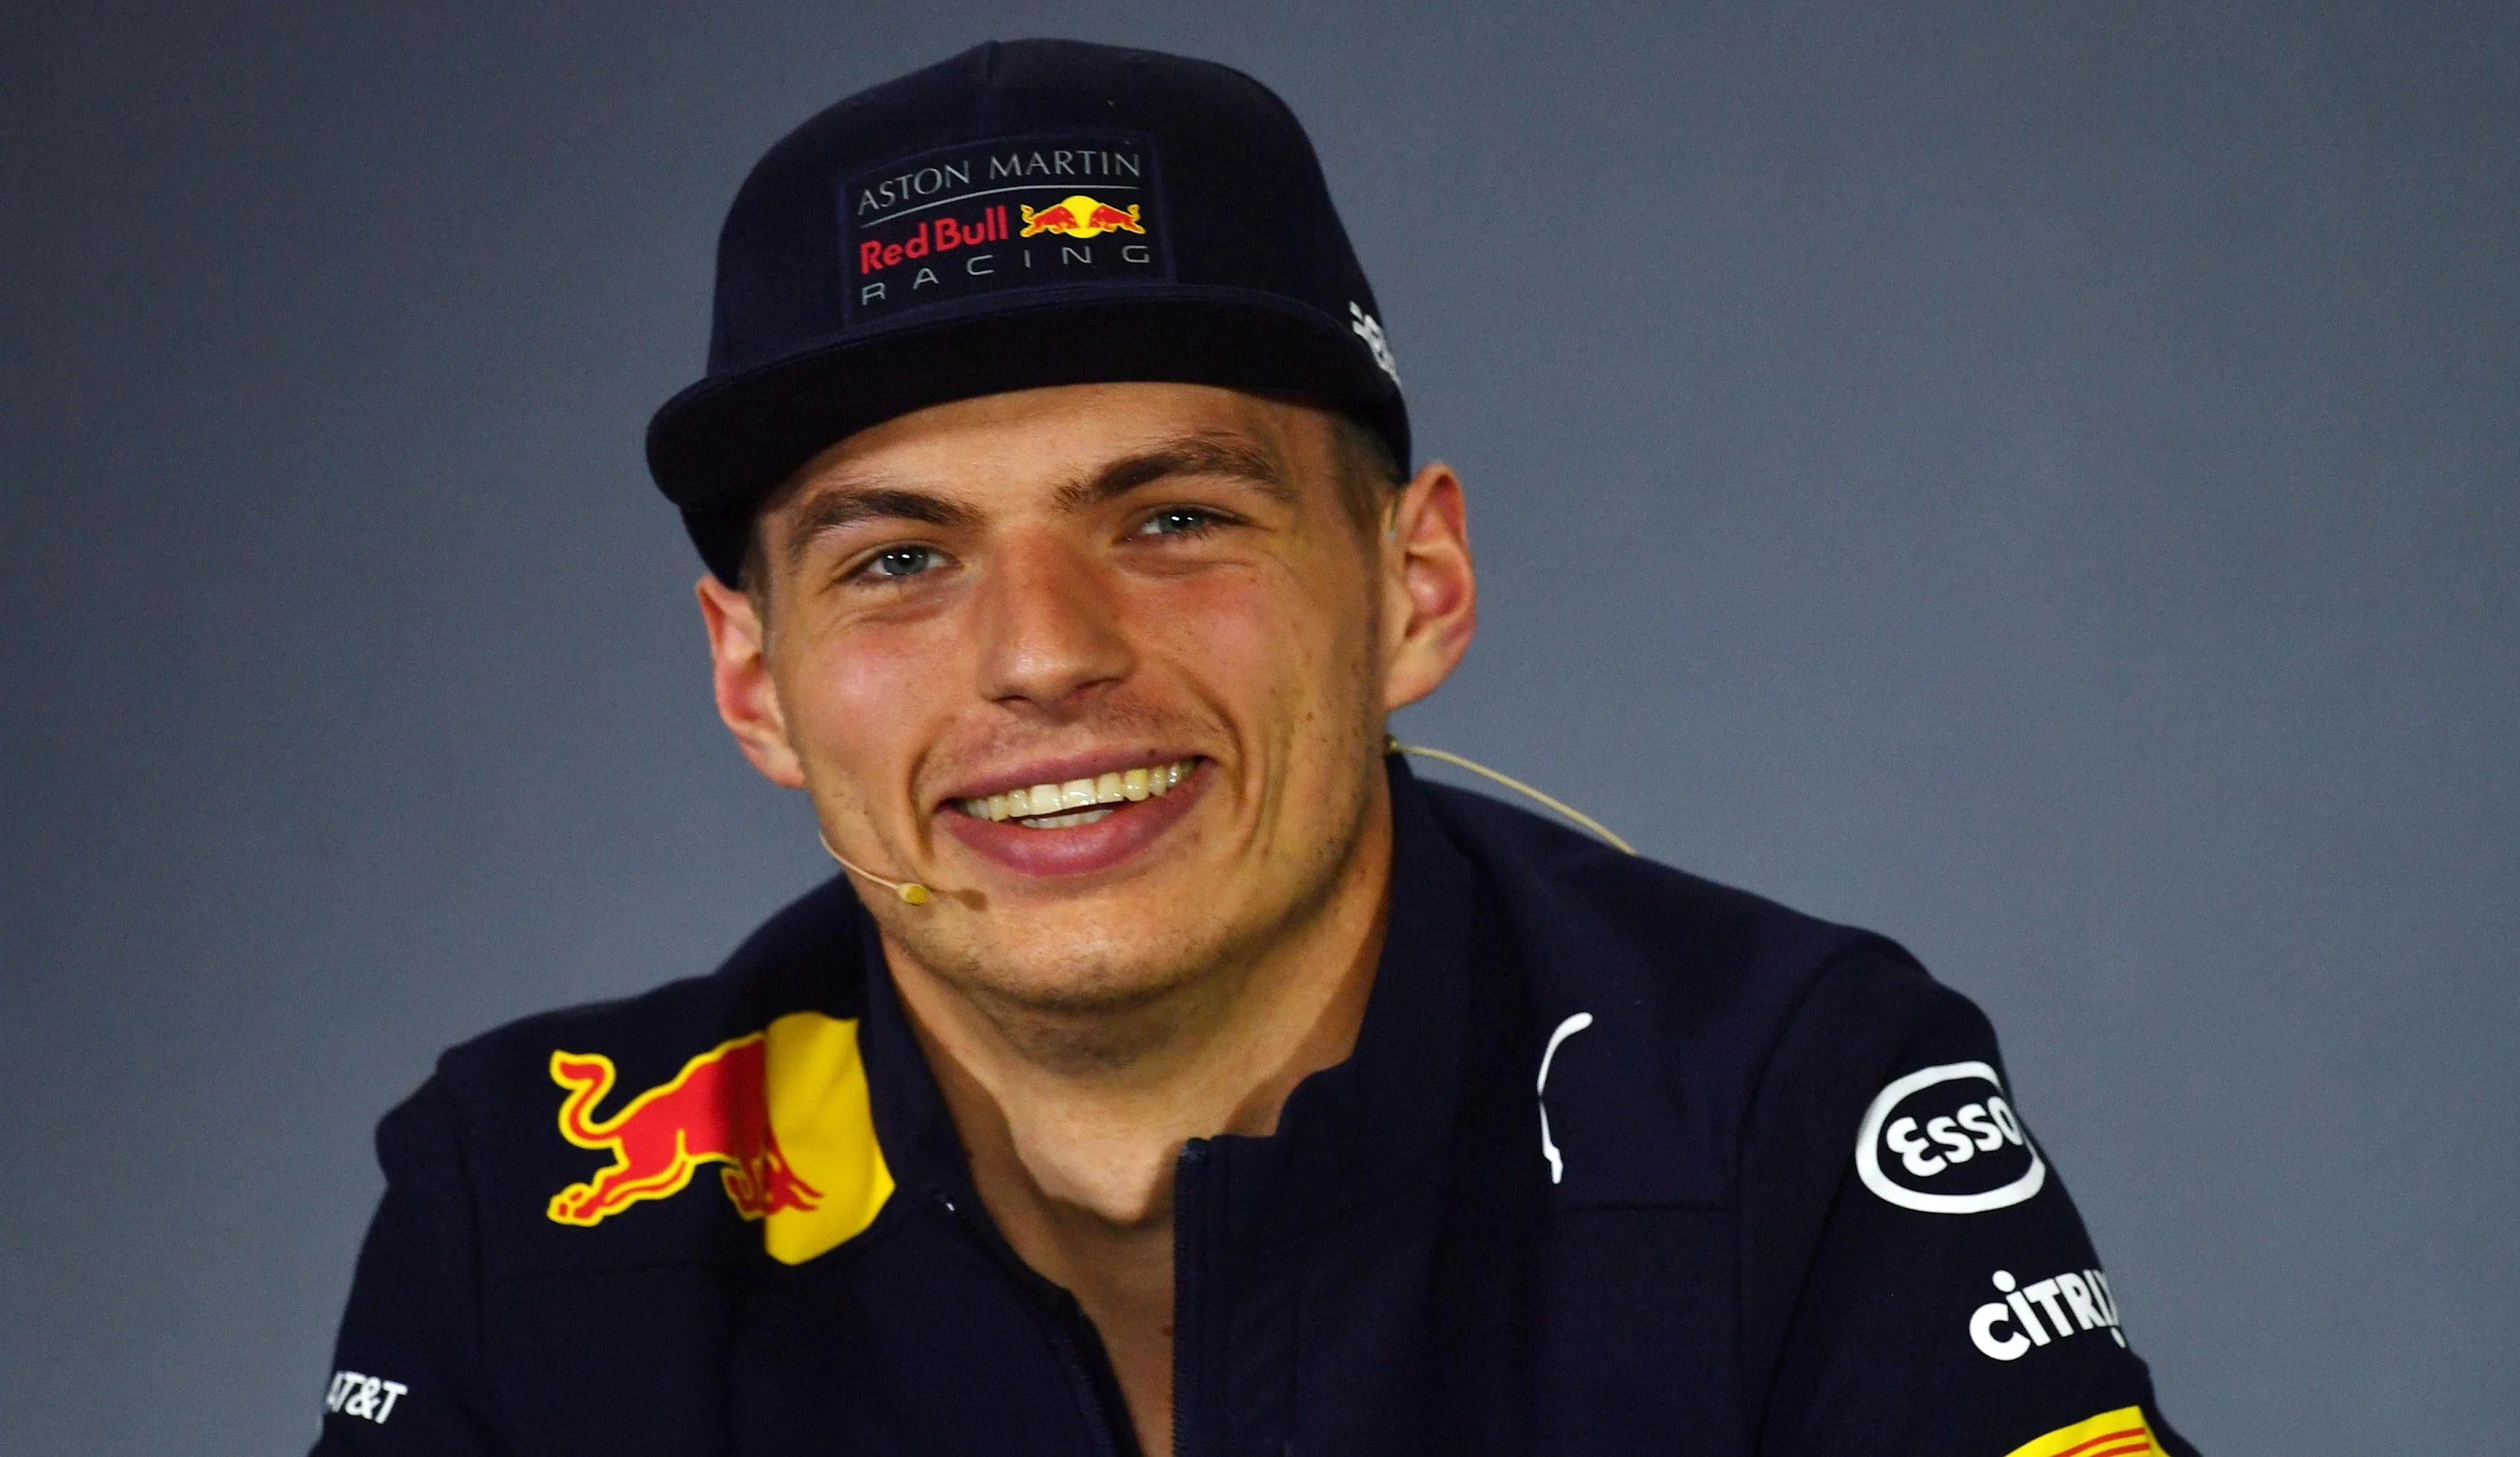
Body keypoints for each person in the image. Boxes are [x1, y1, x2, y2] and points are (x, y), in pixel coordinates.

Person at [311, 38, 2198, 1457]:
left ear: (1414, 584)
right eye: (898, 560)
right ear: (754, 682)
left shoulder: (1776, 1105)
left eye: (1174, 519)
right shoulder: (548, 1204)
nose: (1043, 654)